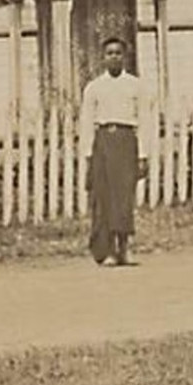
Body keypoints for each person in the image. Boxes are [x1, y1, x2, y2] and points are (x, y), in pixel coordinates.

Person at [78, 36, 149, 266]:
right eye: (109, 53)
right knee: (105, 197)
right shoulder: (94, 88)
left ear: (125, 56)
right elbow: (87, 122)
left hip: (126, 141)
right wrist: (88, 154)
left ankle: (125, 248)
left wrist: (143, 155)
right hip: (103, 143)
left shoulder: (136, 86)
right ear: (103, 57)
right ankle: (107, 250)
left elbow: (144, 121)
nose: (114, 57)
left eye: (118, 53)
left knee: (124, 198)